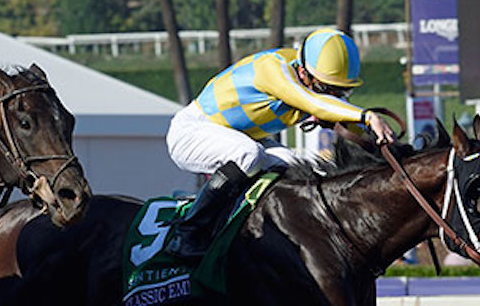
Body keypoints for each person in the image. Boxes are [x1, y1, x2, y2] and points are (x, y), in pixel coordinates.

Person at [165, 27, 398, 258]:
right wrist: (367, 116)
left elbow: (338, 117)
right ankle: (188, 232)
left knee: (294, 167)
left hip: (240, 136)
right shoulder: (273, 69)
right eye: (326, 89)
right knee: (247, 154)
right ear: (304, 71)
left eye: (339, 92)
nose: (332, 97)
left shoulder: (309, 77)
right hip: (191, 132)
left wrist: (383, 147)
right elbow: (313, 102)